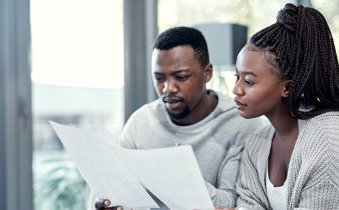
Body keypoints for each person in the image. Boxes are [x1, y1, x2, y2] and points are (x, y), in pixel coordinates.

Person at [218, 3, 339, 210]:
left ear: (287, 87)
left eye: (249, 81)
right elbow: (250, 205)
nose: (236, 89)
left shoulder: (331, 140)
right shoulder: (256, 144)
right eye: (237, 77)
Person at [94, 26, 265, 210]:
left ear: (207, 73)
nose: (168, 88)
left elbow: (235, 204)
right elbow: (117, 191)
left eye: (181, 77)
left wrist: (186, 179)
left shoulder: (240, 122)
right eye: (159, 78)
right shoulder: (141, 122)